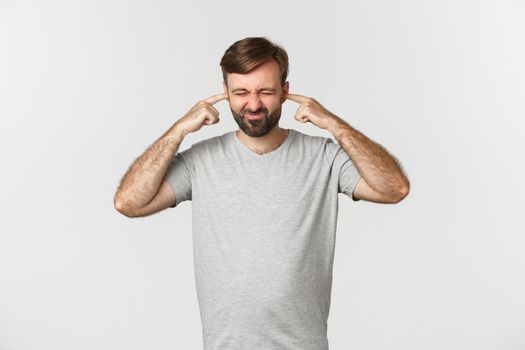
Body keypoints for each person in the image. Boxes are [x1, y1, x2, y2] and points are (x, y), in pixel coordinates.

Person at [114, 36, 410, 350]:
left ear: (284, 91)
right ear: (225, 92)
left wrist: (334, 125)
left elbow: (394, 188)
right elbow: (129, 202)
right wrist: (179, 129)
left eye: (265, 91)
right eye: (241, 92)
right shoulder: (200, 161)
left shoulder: (324, 157)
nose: (253, 104)